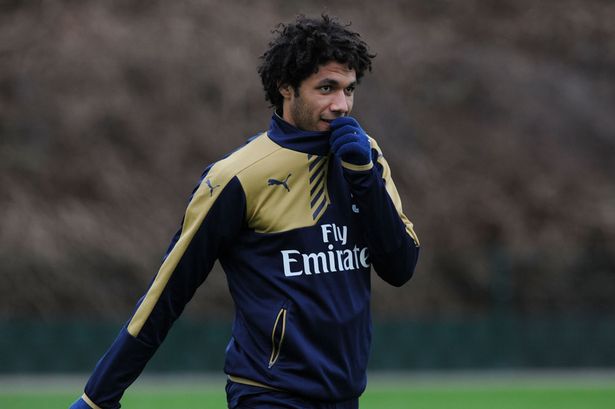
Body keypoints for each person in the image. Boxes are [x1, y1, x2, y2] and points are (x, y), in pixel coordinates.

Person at [69, 14, 420, 409]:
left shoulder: (365, 156)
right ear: (286, 87)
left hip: (345, 397)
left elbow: (400, 267)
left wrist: (363, 178)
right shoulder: (236, 177)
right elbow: (167, 293)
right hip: (267, 394)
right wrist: (98, 396)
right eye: (326, 88)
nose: (341, 105)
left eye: (349, 90)